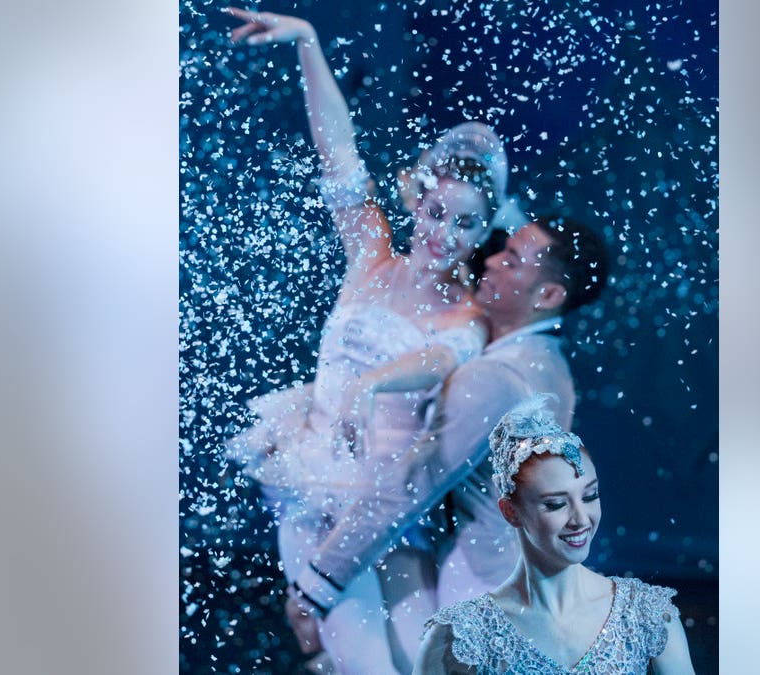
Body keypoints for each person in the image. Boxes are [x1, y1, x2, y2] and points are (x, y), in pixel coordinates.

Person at [220, 8, 520, 674]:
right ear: (416, 199)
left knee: (418, 657)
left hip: (387, 507)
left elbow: (437, 360)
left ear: (481, 233)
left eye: (464, 225)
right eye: (437, 212)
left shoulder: (466, 315)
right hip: (313, 480)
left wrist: (370, 383)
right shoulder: (370, 250)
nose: (443, 234)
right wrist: (308, 43)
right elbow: (339, 151)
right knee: (368, 661)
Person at [285, 215, 610, 671]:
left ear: (549, 296)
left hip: (483, 586)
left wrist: (315, 586)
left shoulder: (495, 378)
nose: (491, 260)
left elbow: (409, 486)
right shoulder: (546, 363)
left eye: (512, 260)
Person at [413, 396, 698, 674]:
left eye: (590, 496)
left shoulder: (645, 616)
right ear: (510, 512)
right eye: (556, 504)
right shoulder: (463, 635)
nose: (580, 519)